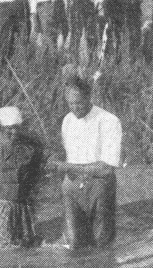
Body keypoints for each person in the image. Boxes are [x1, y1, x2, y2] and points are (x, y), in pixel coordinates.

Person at [47, 73, 122, 248]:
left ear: (89, 97)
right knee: (72, 241)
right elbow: (68, 154)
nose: (75, 108)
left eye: (79, 103)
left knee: (102, 241)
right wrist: (56, 162)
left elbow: (106, 169)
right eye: (71, 104)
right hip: (72, 186)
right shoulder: (67, 121)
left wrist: (67, 166)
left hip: (100, 185)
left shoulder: (109, 121)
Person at [0, 106, 44, 249]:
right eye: (10, 129)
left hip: (19, 200)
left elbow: (35, 170)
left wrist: (32, 193)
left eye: (17, 128)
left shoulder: (29, 144)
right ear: (2, 128)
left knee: (23, 243)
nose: (14, 132)